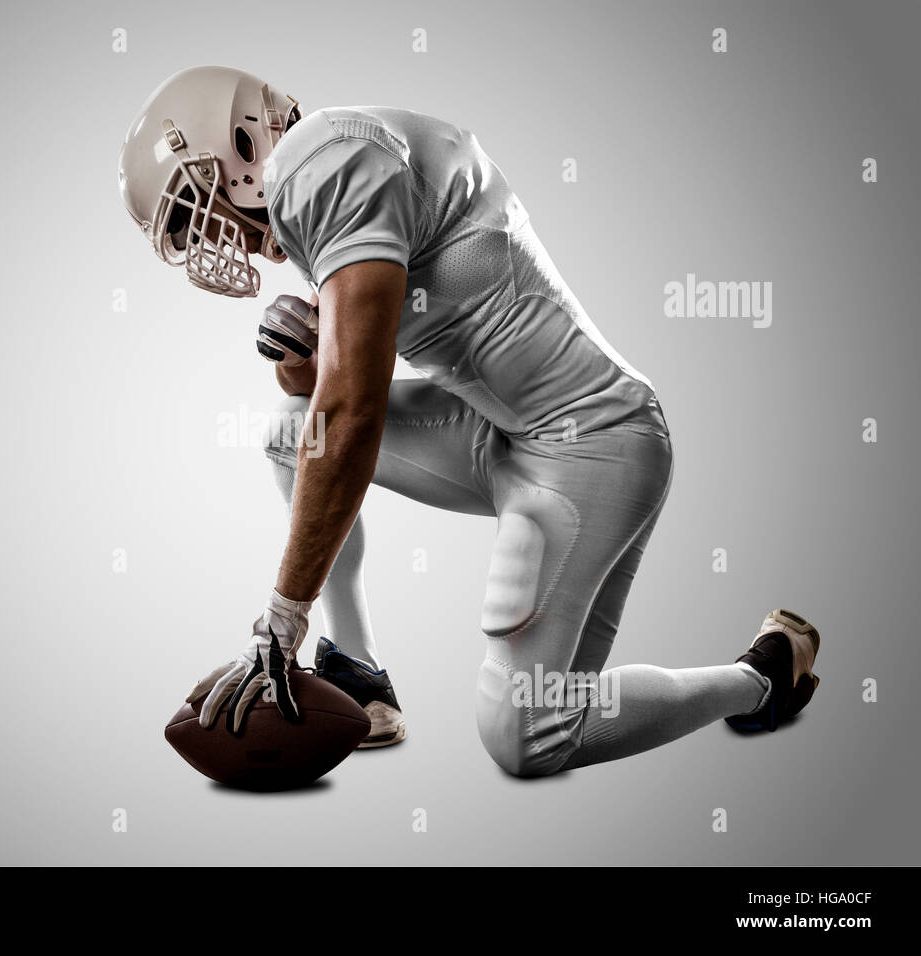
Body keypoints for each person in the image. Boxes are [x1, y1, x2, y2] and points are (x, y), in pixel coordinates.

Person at [117, 65, 821, 775]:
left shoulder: (319, 163)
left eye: (190, 206)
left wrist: (281, 618)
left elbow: (353, 410)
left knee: (529, 735)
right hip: (504, 428)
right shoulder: (331, 175)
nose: (207, 236)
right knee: (287, 429)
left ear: (240, 141)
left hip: (593, 443)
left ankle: (760, 679)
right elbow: (324, 393)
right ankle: (357, 669)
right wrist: (299, 353)